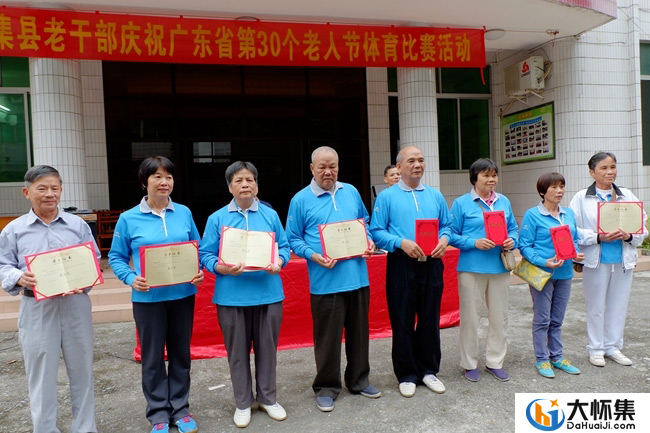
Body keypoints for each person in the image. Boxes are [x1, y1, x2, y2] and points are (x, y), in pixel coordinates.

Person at [0, 165, 99, 433]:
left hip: (75, 305)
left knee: (82, 371)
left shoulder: (77, 225)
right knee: (41, 374)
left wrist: (84, 280)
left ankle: (85, 428)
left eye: (55, 188)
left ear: (61, 191)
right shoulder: (14, 230)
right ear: (26, 192)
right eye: (42, 188)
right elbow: (3, 264)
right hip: (37, 306)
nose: (49, 194)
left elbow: (94, 258)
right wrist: (18, 276)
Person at [108, 156, 203, 433]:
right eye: (157, 177)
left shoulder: (183, 213)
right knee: (152, 359)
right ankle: (158, 413)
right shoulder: (128, 218)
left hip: (182, 296)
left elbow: (195, 247)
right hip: (148, 299)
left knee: (181, 355)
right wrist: (130, 278)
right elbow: (116, 256)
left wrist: (197, 270)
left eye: (169, 177)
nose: (164, 182)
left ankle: (181, 409)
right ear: (144, 182)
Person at [285, 146, 381, 412]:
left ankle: (359, 380)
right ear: (312, 169)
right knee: (327, 339)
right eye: (322, 167)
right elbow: (292, 238)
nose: (328, 172)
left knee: (359, 335)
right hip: (325, 281)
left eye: (333, 166)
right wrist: (313, 255)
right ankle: (326, 387)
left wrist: (369, 241)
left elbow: (364, 221)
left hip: (358, 278)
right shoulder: (300, 200)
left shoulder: (350, 191)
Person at [200, 161, 290, 428]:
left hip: (268, 294)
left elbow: (284, 247)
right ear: (230, 187)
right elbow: (205, 254)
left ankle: (268, 398)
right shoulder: (217, 219)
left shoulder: (270, 216)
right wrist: (222, 268)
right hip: (231, 297)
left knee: (267, 350)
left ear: (257, 185)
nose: (245, 185)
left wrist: (279, 262)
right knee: (237, 353)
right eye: (238, 180)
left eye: (250, 179)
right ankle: (243, 403)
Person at [369, 145, 450, 398]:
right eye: (411, 160)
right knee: (402, 319)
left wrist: (444, 240)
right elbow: (376, 231)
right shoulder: (386, 197)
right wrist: (400, 242)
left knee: (429, 318)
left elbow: (447, 226)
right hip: (402, 263)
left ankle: (428, 370)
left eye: (421, 160)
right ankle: (406, 374)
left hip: (432, 262)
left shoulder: (435, 195)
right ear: (399, 167)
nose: (417, 165)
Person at [569, 152, 648, 367]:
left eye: (612, 167)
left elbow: (642, 228)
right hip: (596, 260)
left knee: (618, 305)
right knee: (595, 306)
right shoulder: (581, 198)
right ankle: (596, 348)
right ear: (592, 172)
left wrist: (630, 236)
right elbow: (572, 228)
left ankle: (613, 347)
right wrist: (597, 237)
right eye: (603, 168)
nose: (609, 172)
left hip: (622, 260)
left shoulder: (627, 195)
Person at [448, 158, 518, 382]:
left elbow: (514, 229)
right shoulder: (461, 203)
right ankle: (469, 363)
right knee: (470, 317)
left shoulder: (504, 201)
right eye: (486, 175)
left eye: (494, 175)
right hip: (471, 268)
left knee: (500, 317)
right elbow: (451, 234)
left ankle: (495, 361)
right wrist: (473, 242)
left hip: (499, 267)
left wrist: (512, 241)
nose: (491, 179)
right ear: (474, 178)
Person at [519, 172, 585, 378]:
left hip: (564, 273)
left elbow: (573, 240)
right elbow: (524, 246)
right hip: (542, 274)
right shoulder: (532, 215)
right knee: (542, 319)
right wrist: (543, 261)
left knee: (557, 319)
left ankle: (557, 357)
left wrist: (576, 253)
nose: (559, 191)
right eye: (554, 187)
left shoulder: (568, 214)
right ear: (542, 191)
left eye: (561, 187)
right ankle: (542, 359)